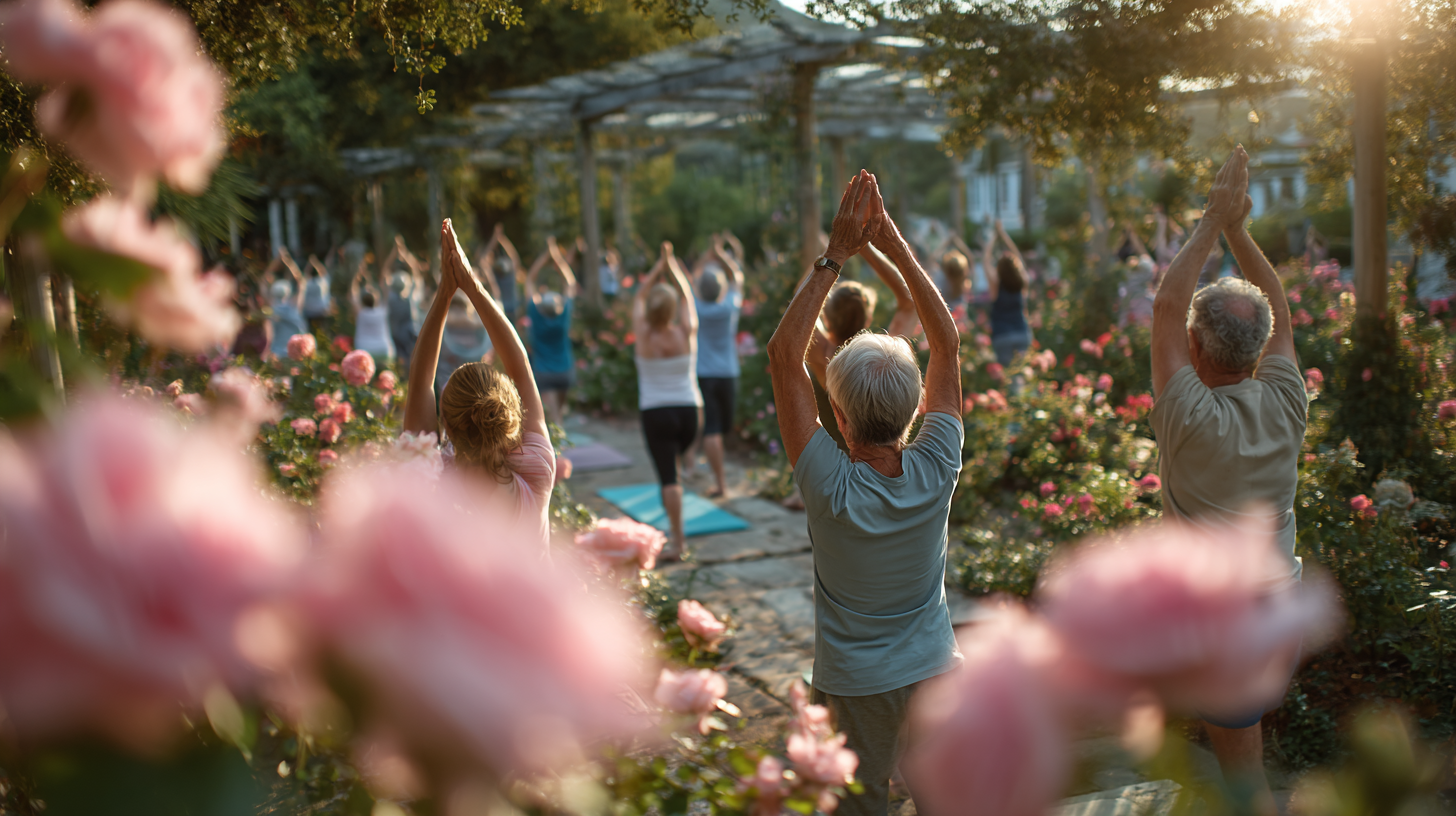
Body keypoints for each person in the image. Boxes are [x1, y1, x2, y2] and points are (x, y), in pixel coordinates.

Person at [767, 170, 963, 816]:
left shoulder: (828, 484)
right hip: (938, 671)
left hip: (857, 687)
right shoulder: (938, 464)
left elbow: (784, 354)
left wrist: (837, 253)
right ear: (916, 409)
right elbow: (946, 342)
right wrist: (893, 242)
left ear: (839, 417)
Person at [1150, 146, 1306, 816]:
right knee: (1229, 756)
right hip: (1276, 610)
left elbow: (1166, 304)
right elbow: (1281, 311)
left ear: (1195, 347)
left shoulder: (1189, 415)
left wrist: (1215, 220)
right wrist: (1237, 229)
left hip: (1227, 623)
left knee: (1245, 780)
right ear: (1259, 348)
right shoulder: (1286, 397)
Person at [404, 219, 555, 550]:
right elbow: (521, 367)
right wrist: (473, 285)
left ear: (446, 424)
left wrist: (445, 293)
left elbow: (420, 382)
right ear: (510, 410)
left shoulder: (433, 479)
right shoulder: (536, 470)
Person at [632, 242, 702, 558]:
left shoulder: (644, 335)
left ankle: (679, 542)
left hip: (657, 413)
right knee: (673, 471)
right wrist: (671, 265)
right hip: (689, 414)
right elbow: (687, 296)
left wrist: (657, 268)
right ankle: (685, 468)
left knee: (668, 480)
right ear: (672, 310)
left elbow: (639, 297)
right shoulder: (686, 332)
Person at [690, 233, 745, 498]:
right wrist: (721, 254)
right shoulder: (729, 307)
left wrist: (707, 254)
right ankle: (719, 478)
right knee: (720, 428)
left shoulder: (696, 307)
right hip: (728, 374)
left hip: (704, 374)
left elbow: (692, 277)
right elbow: (737, 277)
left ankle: (720, 483)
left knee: (711, 429)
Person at [525, 237, 579, 426]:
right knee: (559, 415)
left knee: (555, 418)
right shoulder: (563, 316)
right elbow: (570, 283)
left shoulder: (536, 314)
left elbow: (529, 280)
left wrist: (544, 257)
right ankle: (559, 436)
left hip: (544, 374)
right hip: (565, 372)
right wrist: (556, 257)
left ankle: (557, 439)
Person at [982, 218, 1034, 365]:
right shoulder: (1022, 283)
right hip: (1022, 334)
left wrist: (994, 236)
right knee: (1022, 373)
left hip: (1002, 336)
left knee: (1006, 375)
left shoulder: (996, 285)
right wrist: (1004, 234)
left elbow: (985, 260)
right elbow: (1019, 258)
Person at [382, 235, 424, 370]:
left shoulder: (389, 297)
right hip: (411, 336)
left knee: (399, 366)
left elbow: (384, 272)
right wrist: (403, 252)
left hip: (394, 335)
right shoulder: (412, 296)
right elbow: (415, 271)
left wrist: (394, 252)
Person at [351, 254, 396, 363]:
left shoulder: (360, 313)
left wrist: (356, 275)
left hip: (364, 350)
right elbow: (386, 290)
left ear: (362, 301)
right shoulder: (383, 311)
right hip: (383, 350)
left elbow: (352, 292)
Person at [265, 248, 309, 360]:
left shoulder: (271, 306)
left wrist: (276, 261)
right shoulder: (294, 306)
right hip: (296, 354)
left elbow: (265, 279)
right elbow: (301, 282)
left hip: (276, 353)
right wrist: (288, 262)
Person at [479, 224, 525, 319]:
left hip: (499, 311)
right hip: (511, 311)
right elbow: (514, 257)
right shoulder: (510, 275)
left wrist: (495, 238)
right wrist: (501, 238)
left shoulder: (494, 278)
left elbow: (482, 261)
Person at [301, 250, 333, 332]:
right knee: (323, 330)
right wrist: (315, 263)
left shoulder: (307, 283)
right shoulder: (323, 282)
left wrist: (309, 264)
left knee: (309, 330)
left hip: (309, 312)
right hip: (321, 311)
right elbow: (323, 271)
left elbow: (305, 274)